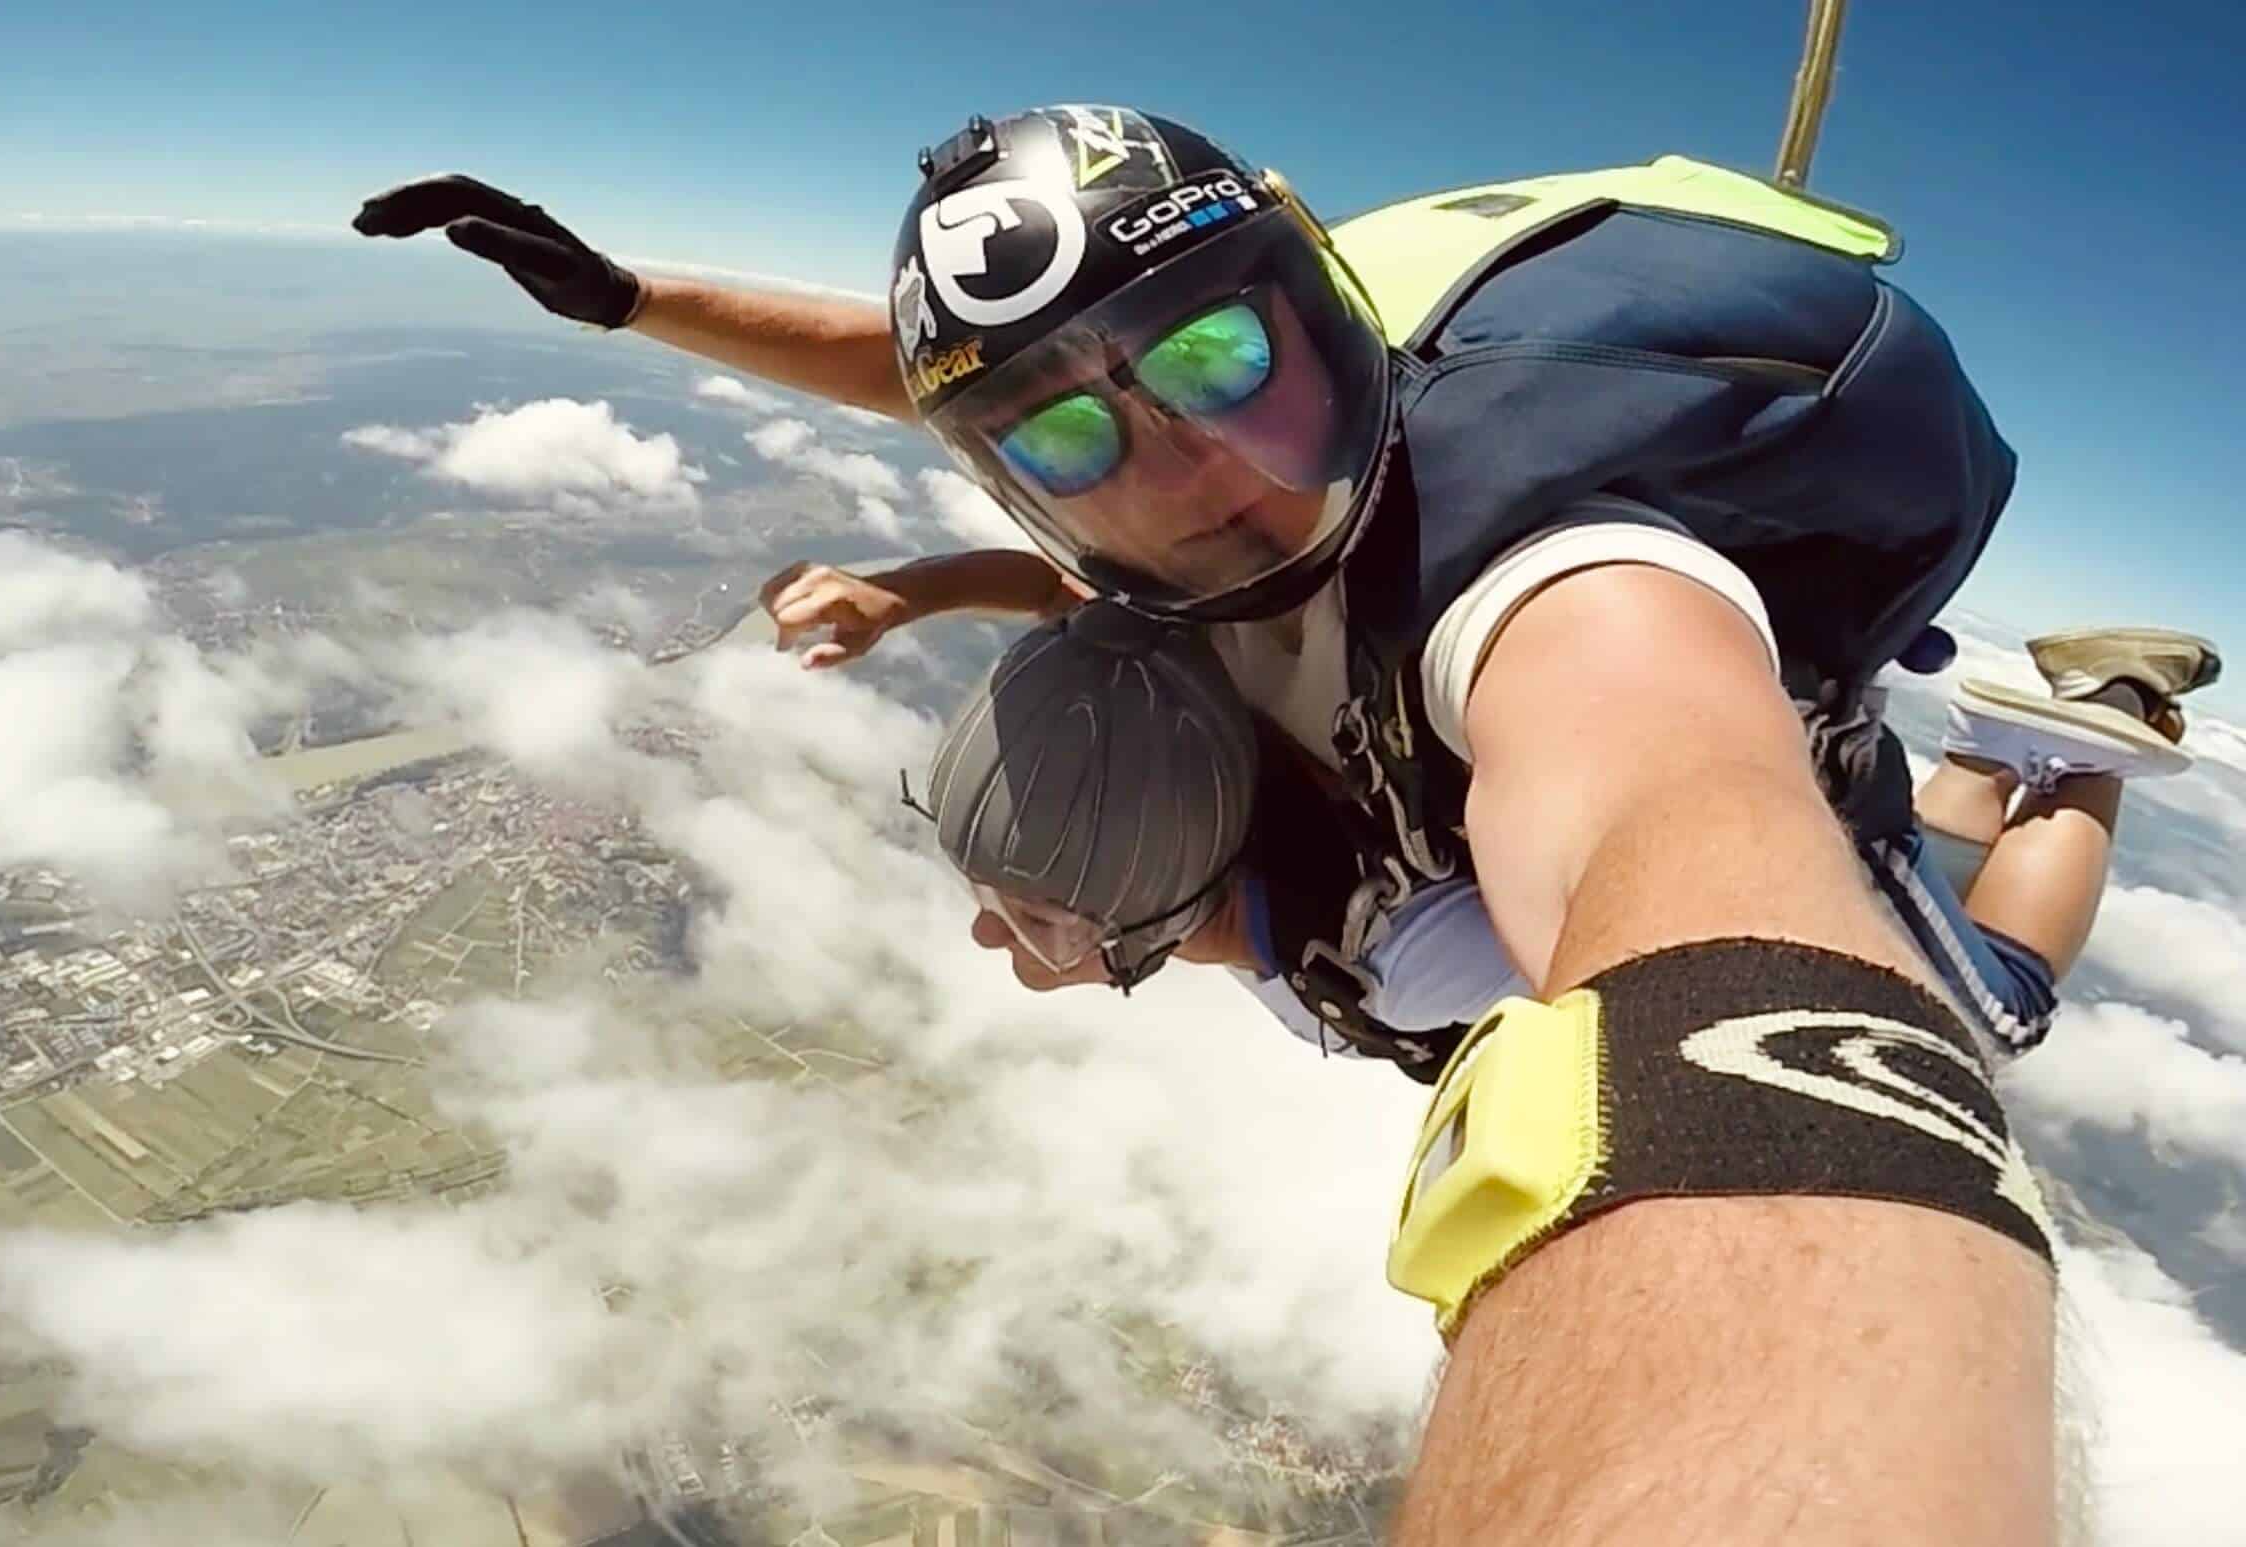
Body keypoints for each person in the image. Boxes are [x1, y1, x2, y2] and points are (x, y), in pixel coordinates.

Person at [354, 110, 2096, 1540]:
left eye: (1215, 352)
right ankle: (1959, 773)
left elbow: (1691, 888)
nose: (1183, 469)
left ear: (1335, 315)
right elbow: (1019, 448)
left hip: (1745, 748)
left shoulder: (1557, 599)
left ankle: (2082, 746)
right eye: (1066, 438)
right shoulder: (1185, 573)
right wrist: (643, 311)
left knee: (1988, 994)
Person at [928, 604, 2218, 1090]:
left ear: (1151, 904)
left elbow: (1692, 985)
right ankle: (1976, 762)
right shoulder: (1225, 743)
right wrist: (920, 587)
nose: (995, 937)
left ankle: (2093, 722)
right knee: (1904, 863)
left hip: (1748, 804)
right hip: (1775, 766)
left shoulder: (1416, 966)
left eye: (1037, 914)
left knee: (1986, 1017)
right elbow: (1102, 626)